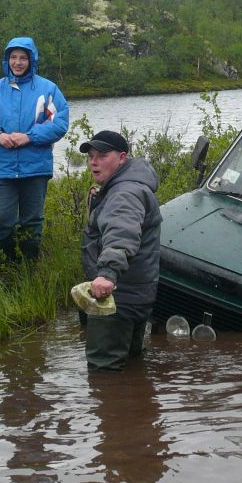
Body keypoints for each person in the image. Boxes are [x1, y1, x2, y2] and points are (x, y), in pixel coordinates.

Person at [0, 37, 69, 259]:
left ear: (31, 60)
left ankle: (29, 269)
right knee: (2, 221)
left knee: (32, 222)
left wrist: (30, 137)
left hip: (36, 167)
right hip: (3, 168)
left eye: (23, 58)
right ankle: (5, 267)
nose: (18, 62)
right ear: (7, 60)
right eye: (13, 57)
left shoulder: (48, 89)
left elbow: (59, 123)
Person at [79, 130, 161, 371]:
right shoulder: (127, 186)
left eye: (102, 155)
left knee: (103, 373)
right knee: (132, 366)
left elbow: (121, 233)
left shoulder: (123, 193)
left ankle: (116, 408)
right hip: (137, 294)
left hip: (116, 298)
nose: (94, 162)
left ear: (122, 157)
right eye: (91, 156)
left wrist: (107, 274)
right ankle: (136, 406)